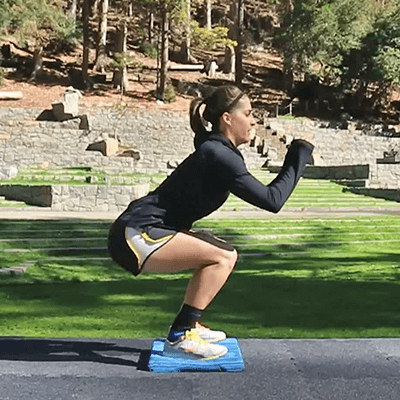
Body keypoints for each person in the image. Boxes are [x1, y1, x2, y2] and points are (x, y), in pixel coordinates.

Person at [108, 85, 314, 360]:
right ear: (227, 118)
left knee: (219, 248)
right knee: (223, 257)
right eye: (249, 114)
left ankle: (189, 324)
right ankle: (180, 336)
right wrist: (299, 152)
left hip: (145, 229)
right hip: (135, 234)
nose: (254, 121)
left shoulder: (217, 150)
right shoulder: (220, 155)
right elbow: (272, 200)